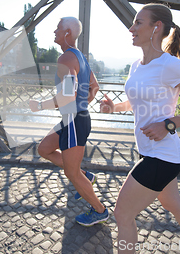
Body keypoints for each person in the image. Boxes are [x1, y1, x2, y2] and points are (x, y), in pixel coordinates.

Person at [100, 4, 180, 254]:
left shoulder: (171, 65)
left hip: (163, 156)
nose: (131, 28)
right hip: (150, 152)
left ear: (156, 27)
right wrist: (114, 108)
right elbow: (135, 102)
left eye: (138, 23)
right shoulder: (136, 65)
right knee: (173, 204)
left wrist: (169, 124)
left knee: (122, 214)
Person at [29, 17, 109, 226]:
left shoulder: (65, 58)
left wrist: (39, 105)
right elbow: (95, 87)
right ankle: (86, 176)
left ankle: (99, 210)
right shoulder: (80, 57)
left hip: (74, 120)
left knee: (70, 172)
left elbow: (67, 97)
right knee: (44, 149)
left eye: (57, 29)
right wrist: (82, 106)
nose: (54, 32)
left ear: (67, 33)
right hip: (73, 118)